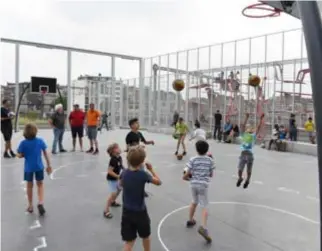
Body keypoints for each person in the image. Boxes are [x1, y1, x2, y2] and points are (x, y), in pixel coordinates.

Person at [120, 145, 162, 251]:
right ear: (142, 162)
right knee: (145, 236)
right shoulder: (143, 175)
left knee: (129, 241)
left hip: (127, 211)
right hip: (140, 212)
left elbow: (120, 185)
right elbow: (158, 182)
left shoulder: (124, 173)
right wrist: (151, 170)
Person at [16, 123, 52, 215]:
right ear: (35, 131)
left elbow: (20, 155)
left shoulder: (23, 143)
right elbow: (45, 153)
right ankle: (40, 202)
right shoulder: (40, 141)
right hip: (39, 167)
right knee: (40, 184)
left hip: (29, 168)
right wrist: (49, 165)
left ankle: (30, 205)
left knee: (29, 186)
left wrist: (19, 155)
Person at [183, 140, 215, 243]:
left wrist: (186, 177)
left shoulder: (193, 159)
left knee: (194, 201)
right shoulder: (210, 161)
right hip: (203, 185)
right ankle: (204, 227)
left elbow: (187, 172)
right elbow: (211, 175)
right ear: (207, 150)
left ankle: (190, 219)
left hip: (193, 184)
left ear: (196, 149)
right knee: (204, 205)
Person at [125, 118, 154, 198]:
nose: (138, 124)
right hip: (132, 158)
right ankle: (131, 190)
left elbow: (144, 142)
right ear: (132, 126)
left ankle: (141, 190)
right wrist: (137, 146)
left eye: (138, 123)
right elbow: (128, 148)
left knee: (141, 174)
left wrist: (150, 142)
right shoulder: (129, 135)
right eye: (136, 123)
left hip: (139, 157)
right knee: (132, 175)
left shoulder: (139, 134)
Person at [236, 113, 264, 189]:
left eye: (251, 129)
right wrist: (246, 117)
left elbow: (258, 128)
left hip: (249, 154)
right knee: (240, 169)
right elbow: (243, 126)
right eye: (249, 129)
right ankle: (240, 178)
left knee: (249, 170)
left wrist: (261, 119)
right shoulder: (244, 134)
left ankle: (247, 180)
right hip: (243, 154)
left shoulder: (253, 136)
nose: (250, 129)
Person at [104, 143, 124, 219]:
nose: (119, 148)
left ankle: (113, 202)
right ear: (113, 151)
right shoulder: (113, 160)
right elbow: (109, 171)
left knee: (119, 189)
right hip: (111, 179)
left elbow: (121, 166)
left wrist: (126, 171)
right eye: (117, 148)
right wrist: (118, 176)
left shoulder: (119, 157)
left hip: (116, 178)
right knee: (113, 193)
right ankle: (106, 211)